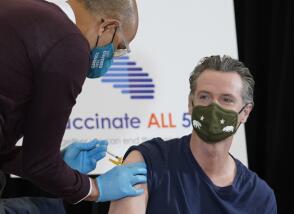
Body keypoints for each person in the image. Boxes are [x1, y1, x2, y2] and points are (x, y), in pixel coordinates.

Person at [0, 0, 147, 208]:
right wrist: (96, 188)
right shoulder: (70, 44)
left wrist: (58, 163)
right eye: (118, 47)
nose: (112, 57)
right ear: (108, 27)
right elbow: (40, 166)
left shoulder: (27, 11)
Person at [108, 55, 277, 214]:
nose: (213, 108)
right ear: (190, 103)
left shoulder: (259, 196)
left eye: (226, 99)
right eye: (204, 97)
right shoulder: (147, 162)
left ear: (245, 112)